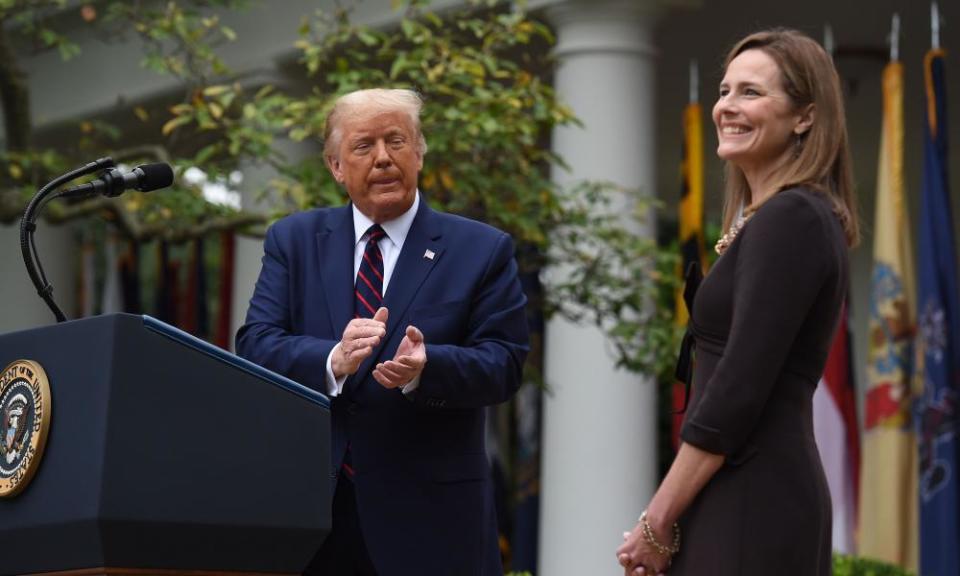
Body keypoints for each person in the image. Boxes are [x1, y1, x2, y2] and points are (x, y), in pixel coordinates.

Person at [236, 88, 530, 575]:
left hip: (432, 522)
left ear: (419, 152)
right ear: (335, 165)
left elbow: (504, 363)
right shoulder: (293, 240)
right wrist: (334, 359)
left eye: (396, 141)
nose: (383, 159)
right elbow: (257, 346)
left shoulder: (481, 248)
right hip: (312, 516)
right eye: (363, 146)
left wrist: (427, 367)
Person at [616, 29, 859, 575]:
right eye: (725, 91)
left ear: (804, 117)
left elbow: (737, 390)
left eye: (751, 92)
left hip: (755, 491)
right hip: (732, 485)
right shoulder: (768, 220)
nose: (727, 106)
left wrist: (657, 520)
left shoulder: (792, 218)